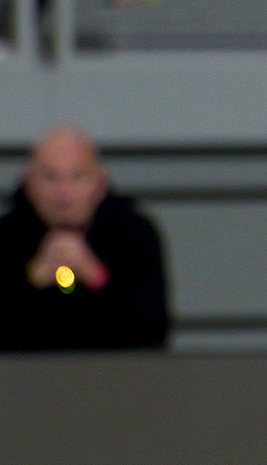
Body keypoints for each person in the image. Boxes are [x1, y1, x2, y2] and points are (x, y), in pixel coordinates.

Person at [0, 125, 169, 351]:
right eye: (50, 177)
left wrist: (96, 276)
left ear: (100, 183)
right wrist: (31, 282)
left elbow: (154, 332)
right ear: (29, 183)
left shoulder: (134, 233)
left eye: (78, 177)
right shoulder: (6, 236)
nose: (63, 192)